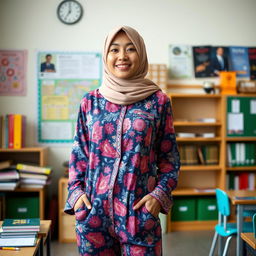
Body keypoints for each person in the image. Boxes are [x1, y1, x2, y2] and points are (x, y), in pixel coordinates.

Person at [64, 26, 180, 256]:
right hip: (93, 216)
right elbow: (79, 155)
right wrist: (77, 197)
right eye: (114, 50)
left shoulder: (158, 101)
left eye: (130, 49)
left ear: (141, 54)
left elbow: (169, 159)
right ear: (106, 55)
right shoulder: (90, 102)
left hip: (139, 216)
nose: (122, 56)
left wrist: (157, 198)